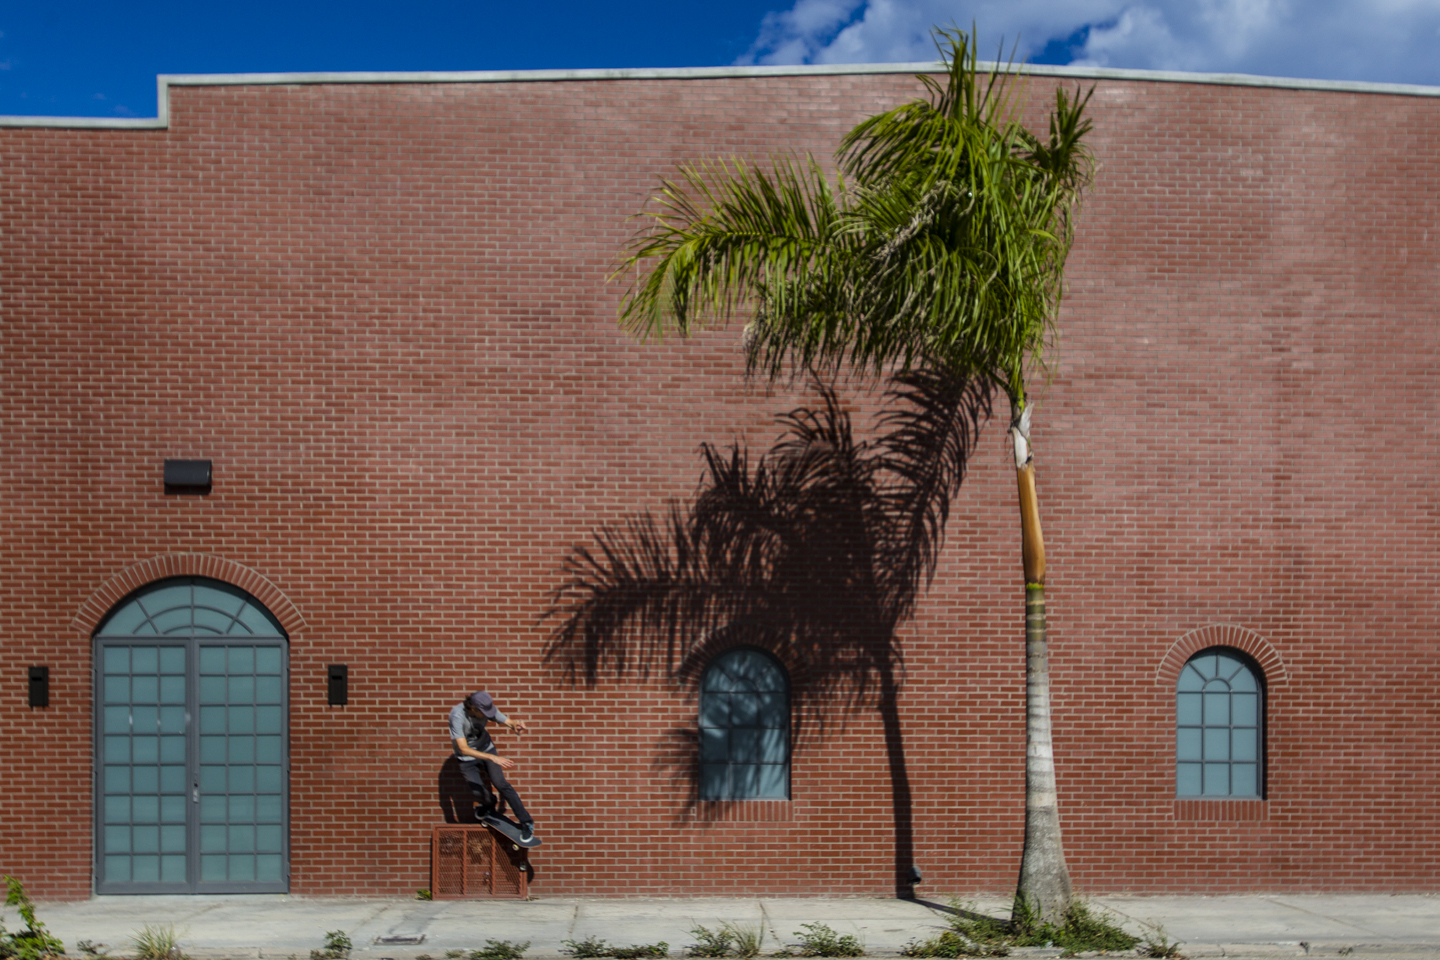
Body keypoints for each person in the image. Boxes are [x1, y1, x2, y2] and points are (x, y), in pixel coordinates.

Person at [448, 690, 537, 844]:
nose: (487, 716)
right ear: (474, 709)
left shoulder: (486, 710)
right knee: (477, 791)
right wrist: (493, 757)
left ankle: (526, 822)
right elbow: (463, 748)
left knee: (501, 783)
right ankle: (489, 804)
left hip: (486, 748)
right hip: (467, 757)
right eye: (484, 713)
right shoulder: (457, 716)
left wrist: (515, 725)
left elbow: (507, 721)